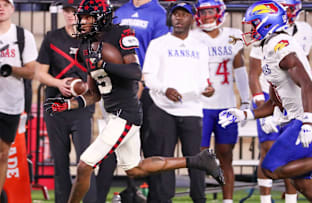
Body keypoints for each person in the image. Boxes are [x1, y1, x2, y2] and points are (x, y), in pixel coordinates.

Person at [43, 1, 224, 203]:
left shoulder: (121, 33)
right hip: (114, 113)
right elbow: (93, 94)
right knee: (134, 169)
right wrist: (68, 104)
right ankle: (198, 160)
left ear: (101, 17)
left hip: (125, 113)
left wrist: (104, 63)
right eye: (81, 17)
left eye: (88, 17)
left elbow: (135, 73)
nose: (82, 22)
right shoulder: (86, 45)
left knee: (85, 165)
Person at [218, 1, 312, 202]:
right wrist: (244, 114)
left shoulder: (281, 47)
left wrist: (306, 122)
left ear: (266, 24)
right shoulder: (269, 47)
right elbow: (275, 101)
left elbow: (307, 84)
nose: (250, 31)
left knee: (271, 167)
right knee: (301, 182)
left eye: (254, 25)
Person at [35, 0, 115, 202]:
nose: (71, 15)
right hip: (55, 105)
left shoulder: (92, 40)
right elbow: (39, 73)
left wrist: (88, 86)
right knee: (60, 163)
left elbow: (102, 72)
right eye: (67, 11)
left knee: (86, 160)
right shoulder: (52, 37)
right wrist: (59, 83)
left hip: (82, 107)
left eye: (75, 11)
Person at [142, 2, 216, 203]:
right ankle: (161, 199)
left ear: (192, 18)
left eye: (184, 14)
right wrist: (165, 89)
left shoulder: (200, 47)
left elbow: (203, 80)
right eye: (176, 14)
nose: (179, 18)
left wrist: (207, 90)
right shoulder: (158, 44)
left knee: (197, 160)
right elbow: (148, 76)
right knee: (163, 159)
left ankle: (199, 199)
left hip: (191, 109)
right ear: (170, 18)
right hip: (162, 108)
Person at [248, 0, 312, 202]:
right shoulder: (264, 29)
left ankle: (291, 199)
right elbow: (253, 73)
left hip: (292, 95)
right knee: (268, 148)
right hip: (269, 94)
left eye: (290, 8)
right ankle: (266, 200)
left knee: (292, 150)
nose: (286, 12)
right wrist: (260, 104)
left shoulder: (305, 30)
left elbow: (302, 66)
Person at [191, 0, 250, 202]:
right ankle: (199, 198)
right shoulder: (192, 38)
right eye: (203, 12)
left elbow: (240, 70)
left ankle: (227, 200)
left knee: (226, 156)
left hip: (225, 104)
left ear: (219, 12)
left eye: (210, 11)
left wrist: (246, 102)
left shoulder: (233, 35)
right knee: (199, 157)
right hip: (200, 106)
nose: (207, 16)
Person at [112, 0, 169, 194]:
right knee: (121, 143)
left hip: (148, 90)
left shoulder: (159, 13)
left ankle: (157, 195)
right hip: (122, 87)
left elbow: (162, 53)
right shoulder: (121, 11)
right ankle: (129, 194)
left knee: (152, 144)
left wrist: (142, 81)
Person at [0, 0, 37, 195]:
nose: (1, 7)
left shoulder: (23, 36)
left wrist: (10, 69)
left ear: (12, 8)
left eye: (5, 4)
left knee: (3, 155)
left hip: (11, 104)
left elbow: (32, 72)